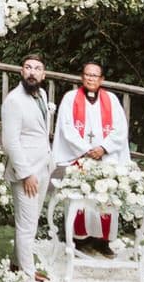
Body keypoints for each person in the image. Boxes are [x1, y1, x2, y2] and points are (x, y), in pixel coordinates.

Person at [52, 61, 130, 256]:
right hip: (80, 157)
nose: (91, 78)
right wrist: (87, 149)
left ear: (102, 79)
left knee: (105, 199)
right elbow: (66, 128)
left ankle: (102, 241)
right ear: (82, 77)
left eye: (95, 75)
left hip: (106, 159)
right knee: (81, 197)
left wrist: (103, 148)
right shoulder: (71, 98)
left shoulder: (111, 100)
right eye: (87, 74)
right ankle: (79, 238)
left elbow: (120, 129)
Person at [0, 54, 55, 282]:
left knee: (30, 224)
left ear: (43, 75)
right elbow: (10, 141)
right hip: (27, 174)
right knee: (25, 227)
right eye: (28, 67)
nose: (32, 72)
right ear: (21, 72)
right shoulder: (14, 101)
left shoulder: (42, 95)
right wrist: (26, 174)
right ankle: (28, 280)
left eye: (37, 68)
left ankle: (16, 264)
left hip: (42, 168)